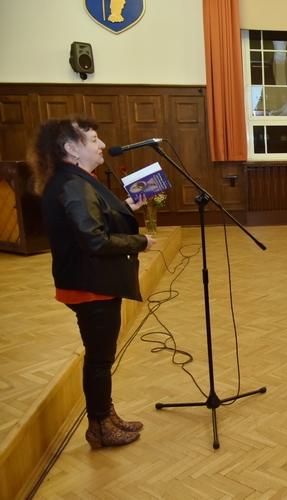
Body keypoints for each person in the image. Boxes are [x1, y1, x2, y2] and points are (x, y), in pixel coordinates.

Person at [32, 117, 154, 448]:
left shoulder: (76, 179)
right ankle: (99, 426)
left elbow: (92, 219)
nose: (102, 145)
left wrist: (126, 206)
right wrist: (140, 242)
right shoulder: (73, 184)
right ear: (71, 148)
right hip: (90, 284)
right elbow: (95, 240)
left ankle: (106, 415)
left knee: (101, 357)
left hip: (92, 280)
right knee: (99, 359)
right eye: (94, 140)